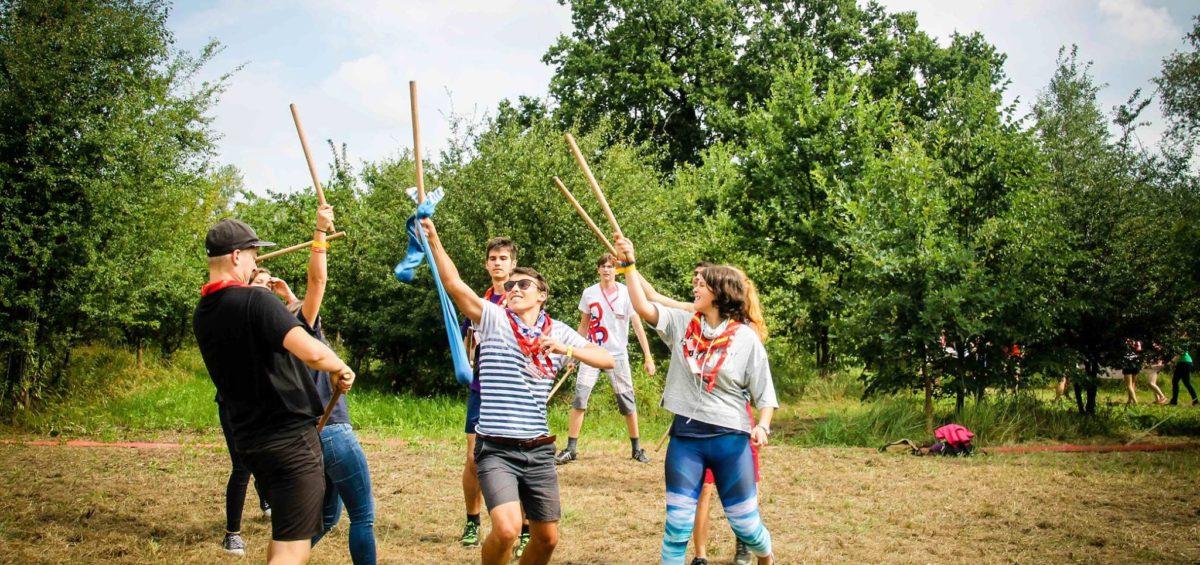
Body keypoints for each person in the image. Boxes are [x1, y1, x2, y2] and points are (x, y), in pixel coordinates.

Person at [421, 217, 614, 565]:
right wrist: (433, 240)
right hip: (496, 447)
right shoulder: (493, 319)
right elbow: (454, 285)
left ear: (542, 294)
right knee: (508, 530)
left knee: (547, 538)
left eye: (523, 284)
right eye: (510, 285)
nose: (514, 289)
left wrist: (566, 350)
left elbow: (606, 359)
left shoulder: (558, 332)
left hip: (539, 449)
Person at [194, 218, 355, 565]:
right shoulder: (256, 302)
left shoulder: (203, 312)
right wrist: (340, 366)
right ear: (236, 256)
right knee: (292, 547)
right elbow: (310, 351)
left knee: (283, 533)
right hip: (289, 443)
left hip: (250, 440)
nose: (256, 262)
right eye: (253, 254)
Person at [617, 236, 777, 565]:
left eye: (702, 284)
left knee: (746, 525)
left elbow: (765, 394)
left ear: (719, 293)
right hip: (686, 439)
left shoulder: (745, 338)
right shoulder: (682, 324)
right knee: (676, 526)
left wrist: (762, 425)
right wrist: (629, 265)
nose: (695, 287)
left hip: (731, 441)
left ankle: (765, 555)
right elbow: (644, 306)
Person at [249, 205, 377, 565]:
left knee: (326, 518)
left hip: (307, 434)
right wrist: (319, 233)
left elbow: (299, 311)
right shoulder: (290, 327)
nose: (268, 285)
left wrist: (290, 299)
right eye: (260, 283)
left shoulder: (262, 329)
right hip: (332, 430)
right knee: (363, 516)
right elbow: (317, 283)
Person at [555, 253, 657, 465]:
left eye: (611, 266)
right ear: (598, 270)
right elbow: (583, 325)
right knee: (580, 398)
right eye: (603, 266)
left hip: (618, 354)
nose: (607, 270)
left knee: (627, 401)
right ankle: (571, 448)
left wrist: (648, 356)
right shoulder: (589, 293)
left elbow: (637, 325)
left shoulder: (627, 292)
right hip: (592, 352)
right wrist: (573, 353)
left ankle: (637, 448)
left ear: (616, 270)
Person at [458, 237, 521, 553]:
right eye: (493, 258)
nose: (497, 262)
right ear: (487, 264)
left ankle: (523, 527)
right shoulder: (477, 303)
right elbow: (466, 345)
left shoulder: (524, 298)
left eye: (503, 258)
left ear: (513, 264)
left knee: (519, 458)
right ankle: (472, 521)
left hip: (516, 391)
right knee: (473, 458)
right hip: (482, 389)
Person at [1122, 340, 1142, 406]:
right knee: (1133, 383)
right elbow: (1139, 349)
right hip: (1136, 363)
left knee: (1129, 385)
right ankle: (1129, 400)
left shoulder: (1124, 341)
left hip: (1127, 364)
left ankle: (1135, 402)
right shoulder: (1136, 341)